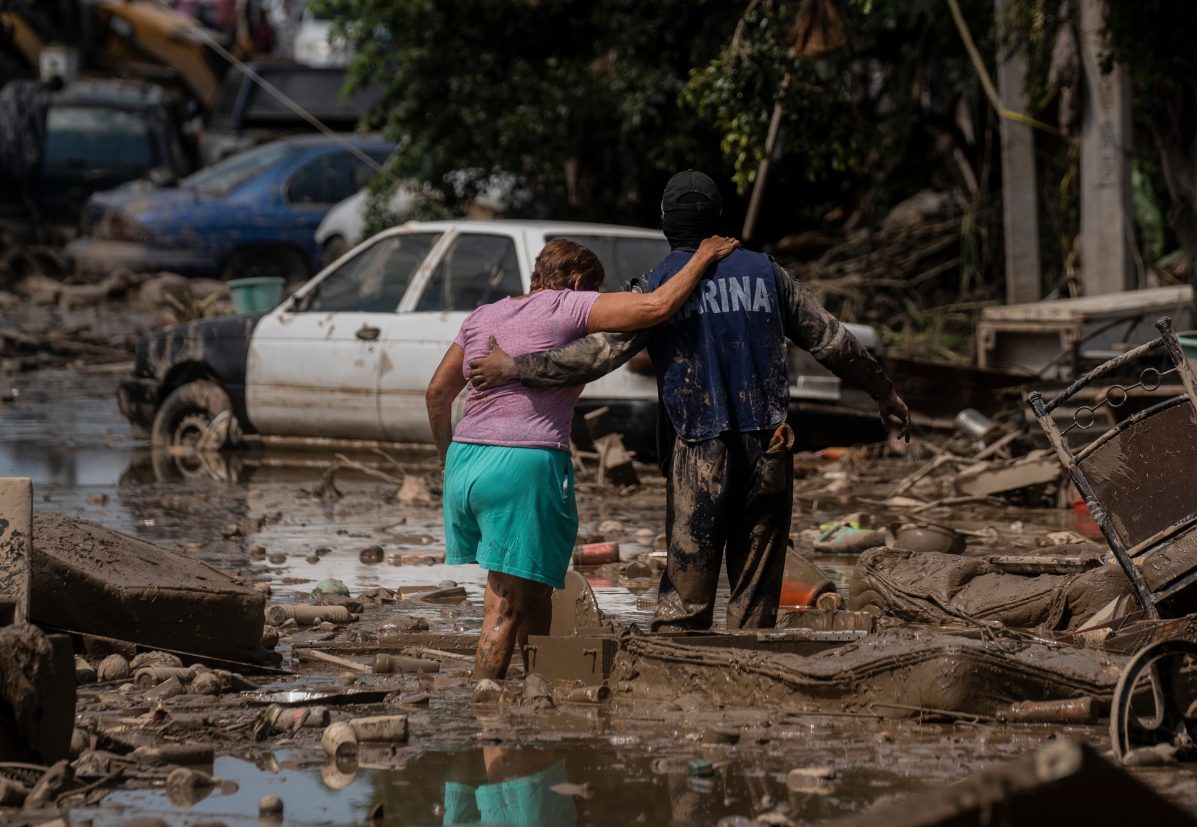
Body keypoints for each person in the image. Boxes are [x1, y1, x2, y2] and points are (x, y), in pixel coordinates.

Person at [468, 170, 911, 633]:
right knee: (756, 593)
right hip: (770, 446)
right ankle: (754, 667)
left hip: (698, 448)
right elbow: (833, 340)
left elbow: (598, 355)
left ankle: (679, 670)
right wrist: (884, 392)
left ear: (667, 222)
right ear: (717, 218)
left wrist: (517, 367)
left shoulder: (661, 285)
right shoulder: (768, 274)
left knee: (684, 599)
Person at [426, 235, 739, 679]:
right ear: (576, 281)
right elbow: (656, 307)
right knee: (504, 605)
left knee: (535, 589)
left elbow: (437, 393)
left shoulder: (483, 315)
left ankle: (537, 685)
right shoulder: (569, 306)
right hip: (523, 463)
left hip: (466, 462)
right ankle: (486, 704)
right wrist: (704, 255)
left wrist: (447, 458)